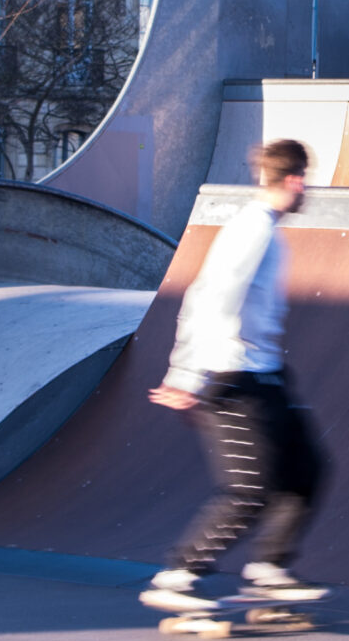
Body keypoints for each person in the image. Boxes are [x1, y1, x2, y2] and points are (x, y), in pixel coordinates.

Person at [139, 137, 328, 613]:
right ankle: (178, 575)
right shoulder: (252, 230)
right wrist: (185, 374)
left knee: (307, 469)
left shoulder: (269, 232)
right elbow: (211, 296)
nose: (308, 189)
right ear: (295, 179)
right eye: (305, 180)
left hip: (267, 377)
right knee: (252, 487)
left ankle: (269, 569)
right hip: (232, 377)